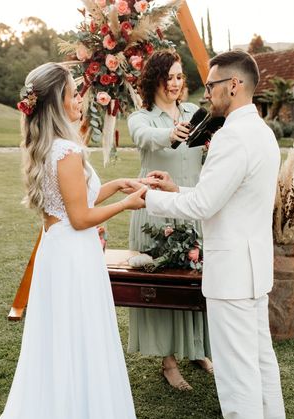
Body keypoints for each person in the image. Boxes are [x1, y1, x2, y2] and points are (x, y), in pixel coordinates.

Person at [0, 62, 147, 419]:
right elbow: (82, 217)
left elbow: (71, 203)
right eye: (73, 91)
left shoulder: (51, 146)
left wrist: (115, 184)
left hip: (59, 250)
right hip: (72, 255)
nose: (80, 97)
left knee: (64, 341)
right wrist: (126, 204)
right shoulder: (67, 151)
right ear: (58, 100)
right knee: (76, 338)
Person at [138, 50, 287, 419]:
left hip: (232, 274)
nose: (207, 94)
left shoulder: (232, 136)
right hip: (254, 268)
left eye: (212, 85)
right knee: (259, 358)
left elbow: (205, 203)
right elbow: (225, 195)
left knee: (238, 370)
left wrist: (150, 197)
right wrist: (176, 186)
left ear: (234, 86)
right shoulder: (259, 131)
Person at [126, 50, 213, 391]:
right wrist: (171, 135)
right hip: (157, 210)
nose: (176, 83)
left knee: (197, 282)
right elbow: (144, 138)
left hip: (192, 204)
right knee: (165, 287)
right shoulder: (141, 117)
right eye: (169, 77)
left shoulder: (194, 112)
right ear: (154, 80)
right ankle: (169, 361)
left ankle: (197, 350)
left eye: (180, 77)